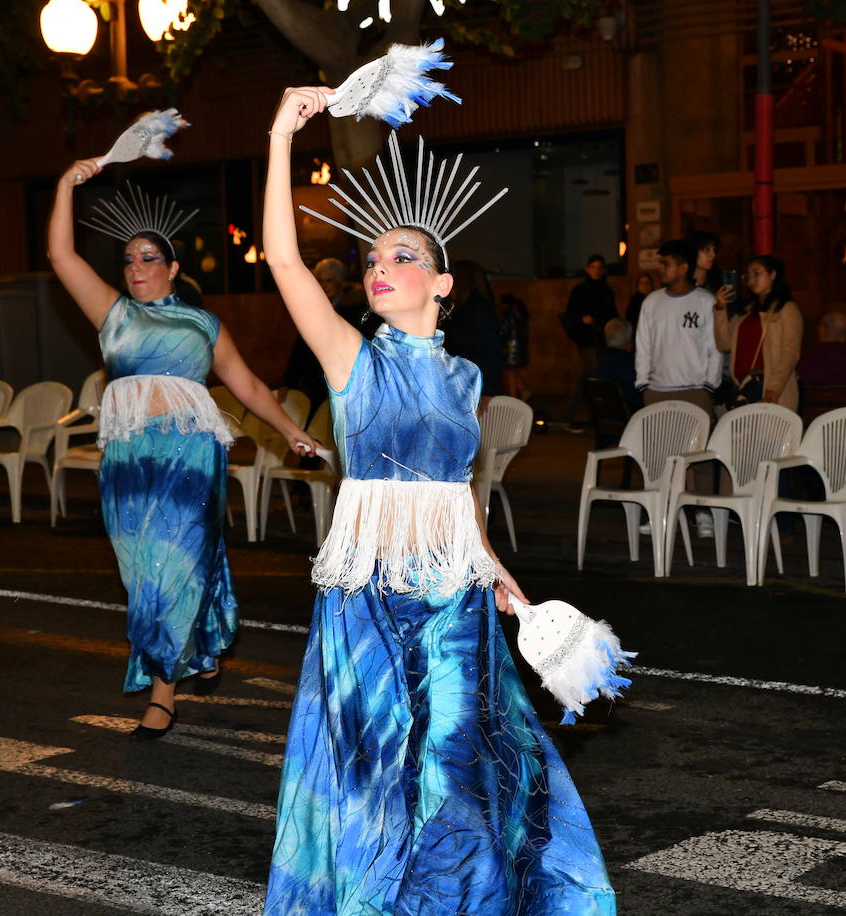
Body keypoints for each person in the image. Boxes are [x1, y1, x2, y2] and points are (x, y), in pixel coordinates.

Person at [260, 86, 615, 914]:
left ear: (441, 280)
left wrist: (497, 569)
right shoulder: (352, 357)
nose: (379, 270)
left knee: (456, 762)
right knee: (374, 769)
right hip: (370, 597)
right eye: (372, 262)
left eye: (400, 259)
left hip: (452, 589)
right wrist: (281, 135)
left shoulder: (466, 377)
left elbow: (458, 491)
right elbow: (281, 261)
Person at [48, 159, 315, 740]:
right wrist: (67, 185)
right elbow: (61, 258)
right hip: (129, 466)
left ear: (172, 268)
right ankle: (193, 637)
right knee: (142, 575)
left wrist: (291, 429)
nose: (136, 267)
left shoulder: (202, 325)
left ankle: (162, 694)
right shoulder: (112, 314)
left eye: (149, 258)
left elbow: (246, 386)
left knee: (178, 568)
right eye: (128, 259)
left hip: (191, 459)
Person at [634, 240, 722, 416]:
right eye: (660, 264)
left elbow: (716, 347)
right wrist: (643, 384)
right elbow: (643, 345)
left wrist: (709, 386)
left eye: (665, 264)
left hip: (695, 391)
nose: (660, 269)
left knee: (694, 444)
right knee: (659, 443)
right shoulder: (651, 301)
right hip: (657, 390)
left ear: (683, 268)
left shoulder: (706, 301)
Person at [713, 254, 804, 411]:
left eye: (757, 273)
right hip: (744, 391)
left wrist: (773, 390)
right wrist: (721, 309)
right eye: (748, 276)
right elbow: (723, 344)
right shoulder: (746, 313)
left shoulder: (786, 309)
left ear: (773, 274)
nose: (751, 280)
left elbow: (790, 353)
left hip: (771, 392)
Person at [283, 257, 375, 405]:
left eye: (329, 280)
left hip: (349, 383)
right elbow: (301, 347)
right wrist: (289, 382)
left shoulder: (356, 309)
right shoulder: (314, 308)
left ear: (340, 282)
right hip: (317, 382)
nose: (324, 285)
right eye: (320, 280)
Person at [560, 254, 618, 428]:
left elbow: (612, 315)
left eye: (600, 267)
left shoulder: (607, 290)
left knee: (595, 376)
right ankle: (568, 417)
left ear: (604, 270)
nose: (596, 270)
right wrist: (582, 319)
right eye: (593, 267)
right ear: (587, 269)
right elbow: (569, 314)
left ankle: (595, 417)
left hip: (603, 339)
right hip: (585, 340)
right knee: (589, 375)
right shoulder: (580, 290)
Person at [440, 259, 504, 398]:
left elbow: (493, 350)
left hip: (475, 384)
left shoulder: (478, 309)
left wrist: (488, 391)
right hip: (464, 381)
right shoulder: (459, 308)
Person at [594, 317, 641, 411]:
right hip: (627, 413)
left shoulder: (602, 358)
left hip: (606, 412)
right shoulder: (627, 361)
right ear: (628, 339)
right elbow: (633, 397)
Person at [499, 292, 530, 399]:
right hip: (519, 348)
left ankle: (514, 397)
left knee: (510, 374)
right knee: (514, 373)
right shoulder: (519, 313)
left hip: (511, 348)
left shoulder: (509, 313)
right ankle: (522, 390)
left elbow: (503, 330)